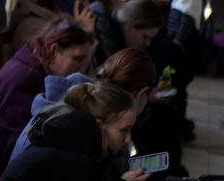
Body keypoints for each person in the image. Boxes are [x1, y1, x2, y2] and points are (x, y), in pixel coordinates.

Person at [0, 82, 145, 181]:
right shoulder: (72, 160)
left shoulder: (73, 142)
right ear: (99, 126)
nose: (128, 139)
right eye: (124, 130)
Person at [0, 16, 93, 177]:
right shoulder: (24, 79)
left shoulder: (30, 68)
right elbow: (18, 149)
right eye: (77, 59)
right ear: (53, 51)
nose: (81, 69)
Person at [9, 46, 156, 165]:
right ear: (141, 93)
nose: (127, 139)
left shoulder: (79, 95)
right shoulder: (84, 127)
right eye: (125, 130)